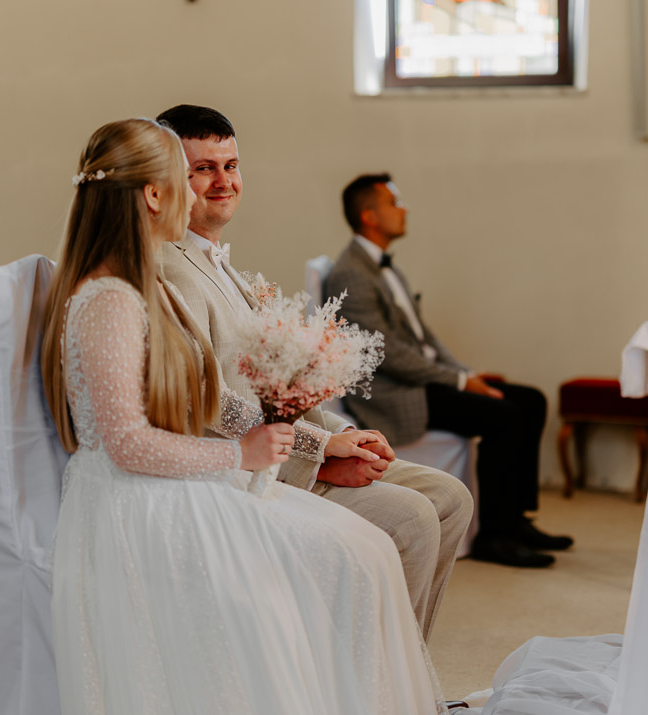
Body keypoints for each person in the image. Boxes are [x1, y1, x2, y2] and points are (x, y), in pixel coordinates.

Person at [41, 118, 446, 714]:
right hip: (140, 504)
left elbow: (193, 392)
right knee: (362, 553)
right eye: (187, 177)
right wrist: (244, 453)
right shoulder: (111, 299)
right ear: (153, 194)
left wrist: (294, 436)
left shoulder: (141, 285)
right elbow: (126, 443)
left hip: (178, 481)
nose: (198, 194)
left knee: (368, 551)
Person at [154, 105, 472, 638]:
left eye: (231, 166)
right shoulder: (168, 269)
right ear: (165, 177)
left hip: (290, 444)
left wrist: (345, 433)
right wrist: (320, 453)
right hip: (240, 466)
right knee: (414, 518)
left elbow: (279, 388)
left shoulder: (217, 262)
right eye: (203, 168)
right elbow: (206, 402)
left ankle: (404, 666)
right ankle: (373, 673)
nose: (224, 181)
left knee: (451, 498)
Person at [325, 173, 573, 569]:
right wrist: (459, 382)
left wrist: (466, 374)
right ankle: (495, 535)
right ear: (369, 216)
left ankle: (517, 518)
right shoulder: (351, 272)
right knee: (504, 416)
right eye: (394, 203)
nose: (404, 209)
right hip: (394, 391)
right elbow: (386, 355)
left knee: (531, 400)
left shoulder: (386, 267)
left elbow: (425, 338)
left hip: (420, 379)